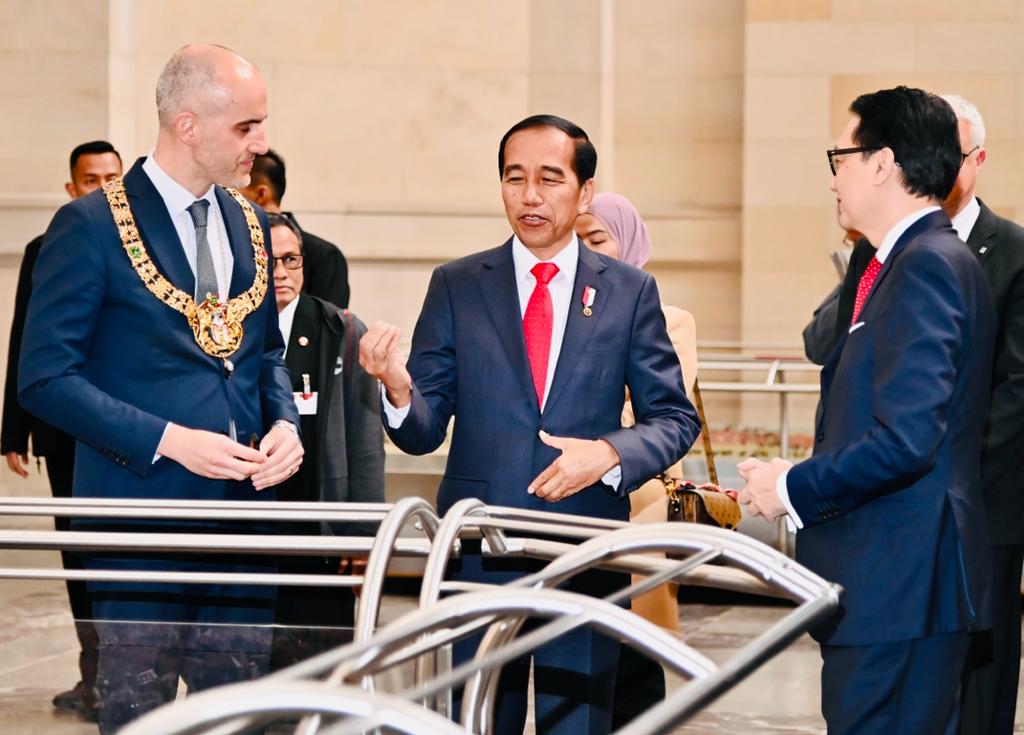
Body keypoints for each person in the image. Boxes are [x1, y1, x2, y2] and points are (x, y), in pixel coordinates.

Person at [360, 114, 700, 735]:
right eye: (515, 179)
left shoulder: (628, 292)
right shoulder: (459, 284)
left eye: (549, 179)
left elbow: (675, 417)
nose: (530, 196)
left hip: (586, 546)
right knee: (478, 719)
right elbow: (422, 431)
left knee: (578, 723)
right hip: (480, 551)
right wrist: (398, 386)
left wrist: (606, 454)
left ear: (585, 191)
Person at [17, 44, 302, 734]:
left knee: (243, 718)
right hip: (138, 527)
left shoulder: (251, 225)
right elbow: (45, 378)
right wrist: (171, 441)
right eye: (246, 127)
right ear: (187, 124)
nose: (262, 145)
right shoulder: (87, 227)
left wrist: (285, 422)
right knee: (142, 720)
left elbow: (264, 355)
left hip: (245, 526)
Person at [738, 86, 995, 733]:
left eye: (842, 157)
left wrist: (790, 484)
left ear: (883, 162)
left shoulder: (927, 265)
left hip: (903, 585)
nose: (834, 180)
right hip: (890, 583)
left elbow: (906, 439)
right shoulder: (900, 261)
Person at [1, 139, 122, 720]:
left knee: (121, 551)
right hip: (62, 431)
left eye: (112, 177)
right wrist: (12, 429)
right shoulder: (43, 246)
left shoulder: (144, 244)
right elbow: (27, 337)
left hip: (126, 428)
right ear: (72, 188)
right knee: (77, 553)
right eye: (91, 179)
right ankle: (92, 672)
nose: (102, 187)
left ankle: (127, 671)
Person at [575, 191, 697, 728]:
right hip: (572, 492)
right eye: (578, 240)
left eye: (598, 239)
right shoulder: (566, 311)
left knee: (635, 652)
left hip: (639, 495)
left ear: (628, 239)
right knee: (580, 645)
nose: (588, 252)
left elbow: (661, 411)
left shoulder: (670, 317)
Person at [263, 211, 384, 669]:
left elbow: (364, 443)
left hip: (320, 532)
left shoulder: (342, 330)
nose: (280, 273)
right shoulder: (226, 332)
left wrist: (364, 537)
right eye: (268, 261)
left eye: (290, 260)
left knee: (323, 671)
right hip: (250, 533)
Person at [939, 95, 1024, 735]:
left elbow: (1017, 384)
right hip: (902, 500)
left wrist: (953, 465)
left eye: (953, 155)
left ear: (979, 160)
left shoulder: (1015, 252)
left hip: (986, 495)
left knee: (983, 672)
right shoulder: (880, 247)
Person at [240, 149, 350, 308]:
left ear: (261, 194)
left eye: (291, 260)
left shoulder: (324, 256)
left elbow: (332, 325)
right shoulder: (233, 249)